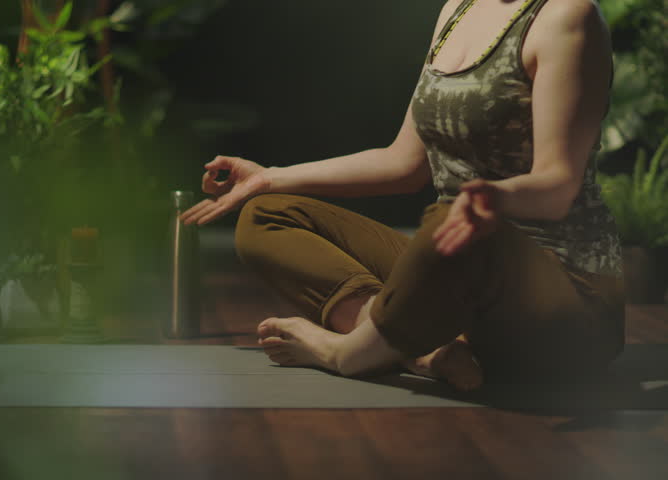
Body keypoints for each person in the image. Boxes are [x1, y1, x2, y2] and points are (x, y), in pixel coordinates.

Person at [179, 0, 625, 391]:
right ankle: (422, 350)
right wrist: (270, 177)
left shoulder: (567, 16)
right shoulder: (458, 10)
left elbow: (557, 186)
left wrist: (494, 200)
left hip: (561, 304)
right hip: (452, 263)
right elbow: (403, 164)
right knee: (264, 215)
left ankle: (346, 353)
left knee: (446, 224)